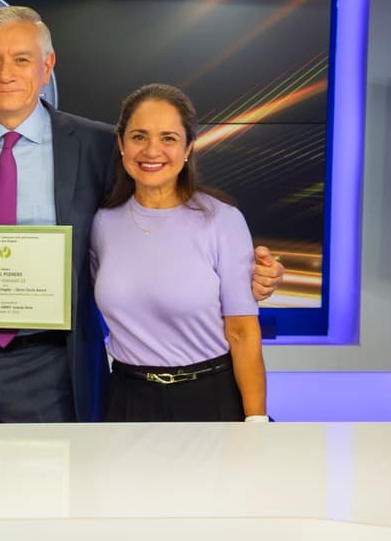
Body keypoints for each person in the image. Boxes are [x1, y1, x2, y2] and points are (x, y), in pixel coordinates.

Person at [0, 5, 284, 423]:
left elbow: (161, 214)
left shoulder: (96, 145)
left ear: (47, 66)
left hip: (61, 368)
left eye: (21, 59)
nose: (6, 73)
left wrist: (248, 274)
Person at [91, 84, 266, 421]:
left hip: (210, 398)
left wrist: (256, 422)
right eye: (139, 137)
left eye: (168, 138)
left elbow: (243, 333)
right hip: (127, 399)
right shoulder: (102, 223)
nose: (151, 150)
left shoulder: (223, 220)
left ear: (188, 147)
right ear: (121, 144)